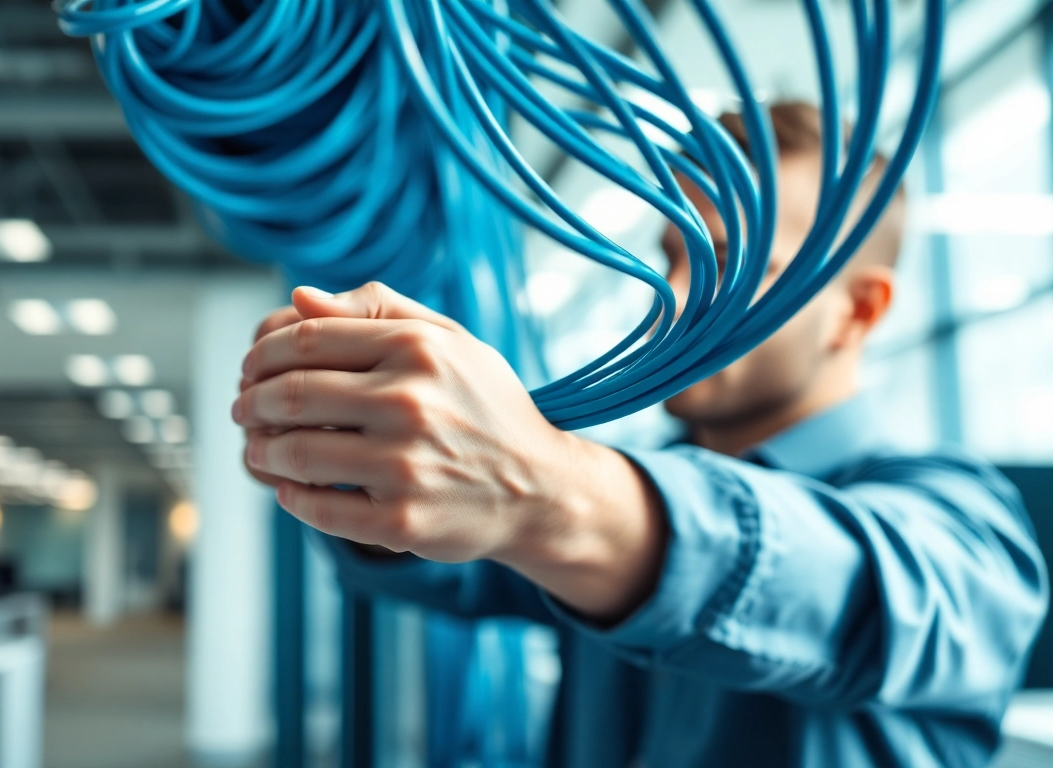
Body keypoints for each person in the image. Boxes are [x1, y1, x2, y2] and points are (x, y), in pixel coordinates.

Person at [231, 102, 1049, 767]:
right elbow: (458, 575)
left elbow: (857, 598)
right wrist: (357, 463)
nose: (676, 293)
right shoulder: (634, 488)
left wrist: (556, 495)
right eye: (673, 252)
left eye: (736, 262)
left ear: (859, 311)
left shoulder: (964, 531)